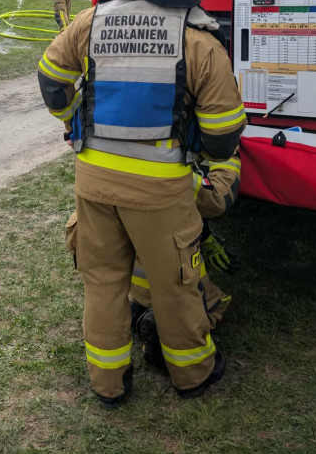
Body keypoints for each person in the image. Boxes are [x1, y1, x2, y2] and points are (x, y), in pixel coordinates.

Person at [38, 0, 247, 407]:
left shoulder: (93, 19)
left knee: (104, 280)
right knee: (175, 283)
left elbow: (51, 81)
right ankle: (193, 373)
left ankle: (108, 384)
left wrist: (73, 124)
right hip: (161, 193)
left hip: (92, 182)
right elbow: (222, 138)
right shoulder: (199, 42)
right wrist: (208, 155)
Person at [62, 149, 242, 370]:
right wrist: (230, 154)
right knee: (202, 298)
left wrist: (204, 233)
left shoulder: (94, 141)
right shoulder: (165, 166)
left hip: (101, 235)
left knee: (106, 292)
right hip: (158, 248)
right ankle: (168, 338)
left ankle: (129, 320)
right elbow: (215, 200)